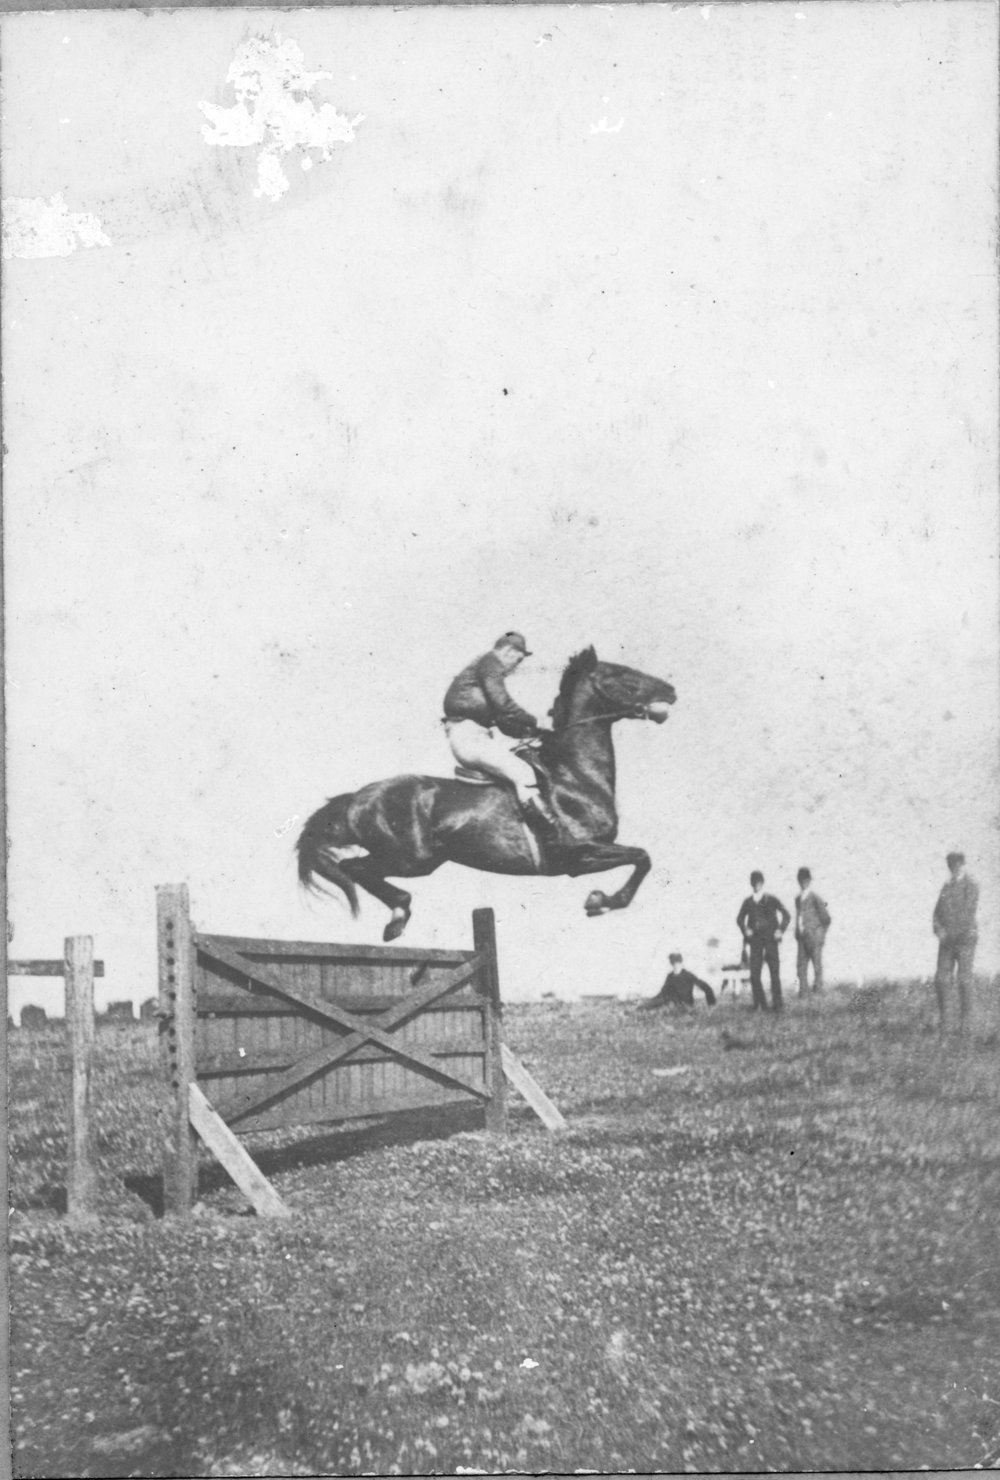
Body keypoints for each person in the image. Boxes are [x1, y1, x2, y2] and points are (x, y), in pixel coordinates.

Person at [442, 632, 561, 839]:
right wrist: (537, 722)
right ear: (508, 651)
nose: (517, 665)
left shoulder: (486, 666)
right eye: (519, 659)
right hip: (470, 737)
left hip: (475, 735)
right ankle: (552, 835)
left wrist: (533, 732)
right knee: (523, 772)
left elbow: (504, 721)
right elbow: (504, 705)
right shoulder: (491, 662)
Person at [932, 851, 979, 1034]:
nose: (955, 867)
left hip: (965, 940)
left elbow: (967, 913)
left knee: (964, 981)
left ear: (963, 864)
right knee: (941, 980)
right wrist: (939, 930)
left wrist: (952, 932)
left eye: (958, 863)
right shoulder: (946, 887)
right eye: (952, 864)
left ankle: (966, 1026)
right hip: (947, 942)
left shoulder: (971, 886)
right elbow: (936, 913)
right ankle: (945, 1024)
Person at [736, 872, 791, 1012]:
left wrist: (780, 930)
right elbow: (739, 919)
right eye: (754, 883)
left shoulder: (771, 899)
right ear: (751, 884)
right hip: (755, 941)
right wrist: (745, 929)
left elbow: (786, 914)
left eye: (759, 882)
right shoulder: (748, 902)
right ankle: (760, 1004)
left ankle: (778, 1005)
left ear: (762, 883)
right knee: (754, 974)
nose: (757, 885)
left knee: (774, 972)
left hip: (771, 940)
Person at [795, 868, 831, 994]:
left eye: (805, 880)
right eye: (801, 880)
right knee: (801, 966)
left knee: (817, 966)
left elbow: (826, 918)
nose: (803, 882)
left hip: (814, 938)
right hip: (801, 937)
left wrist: (820, 935)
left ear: (809, 881)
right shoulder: (797, 899)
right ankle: (803, 992)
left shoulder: (815, 898)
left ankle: (818, 992)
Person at [639, 953, 716, 1011]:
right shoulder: (670, 976)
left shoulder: (688, 975)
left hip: (685, 1004)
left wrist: (711, 1004)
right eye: (673, 963)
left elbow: (706, 988)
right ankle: (641, 1008)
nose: (675, 965)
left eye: (677, 963)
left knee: (664, 1005)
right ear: (671, 964)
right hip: (671, 1002)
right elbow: (662, 993)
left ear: (681, 963)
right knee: (648, 1006)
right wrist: (650, 1001)